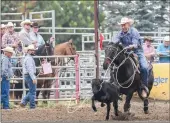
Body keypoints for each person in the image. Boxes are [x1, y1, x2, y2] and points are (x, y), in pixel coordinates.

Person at [110, 17, 149, 98]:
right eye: (122, 25)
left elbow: (135, 44)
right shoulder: (120, 33)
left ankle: (144, 87)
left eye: (124, 25)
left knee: (144, 67)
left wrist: (131, 46)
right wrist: (112, 43)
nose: (122, 27)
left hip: (137, 52)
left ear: (128, 24)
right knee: (114, 64)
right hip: (126, 52)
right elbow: (115, 40)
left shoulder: (134, 32)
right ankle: (114, 83)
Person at [20, 44, 37, 109]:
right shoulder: (29, 58)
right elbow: (30, 69)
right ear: (28, 51)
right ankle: (32, 106)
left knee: (31, 91)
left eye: (33, 50)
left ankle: (24, 102)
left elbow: (30, 69)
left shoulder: (28, 58)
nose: (33, 51)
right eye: (31, 50)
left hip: (28, 75)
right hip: (30, 76)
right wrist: (33, 78)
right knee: (32, 91)